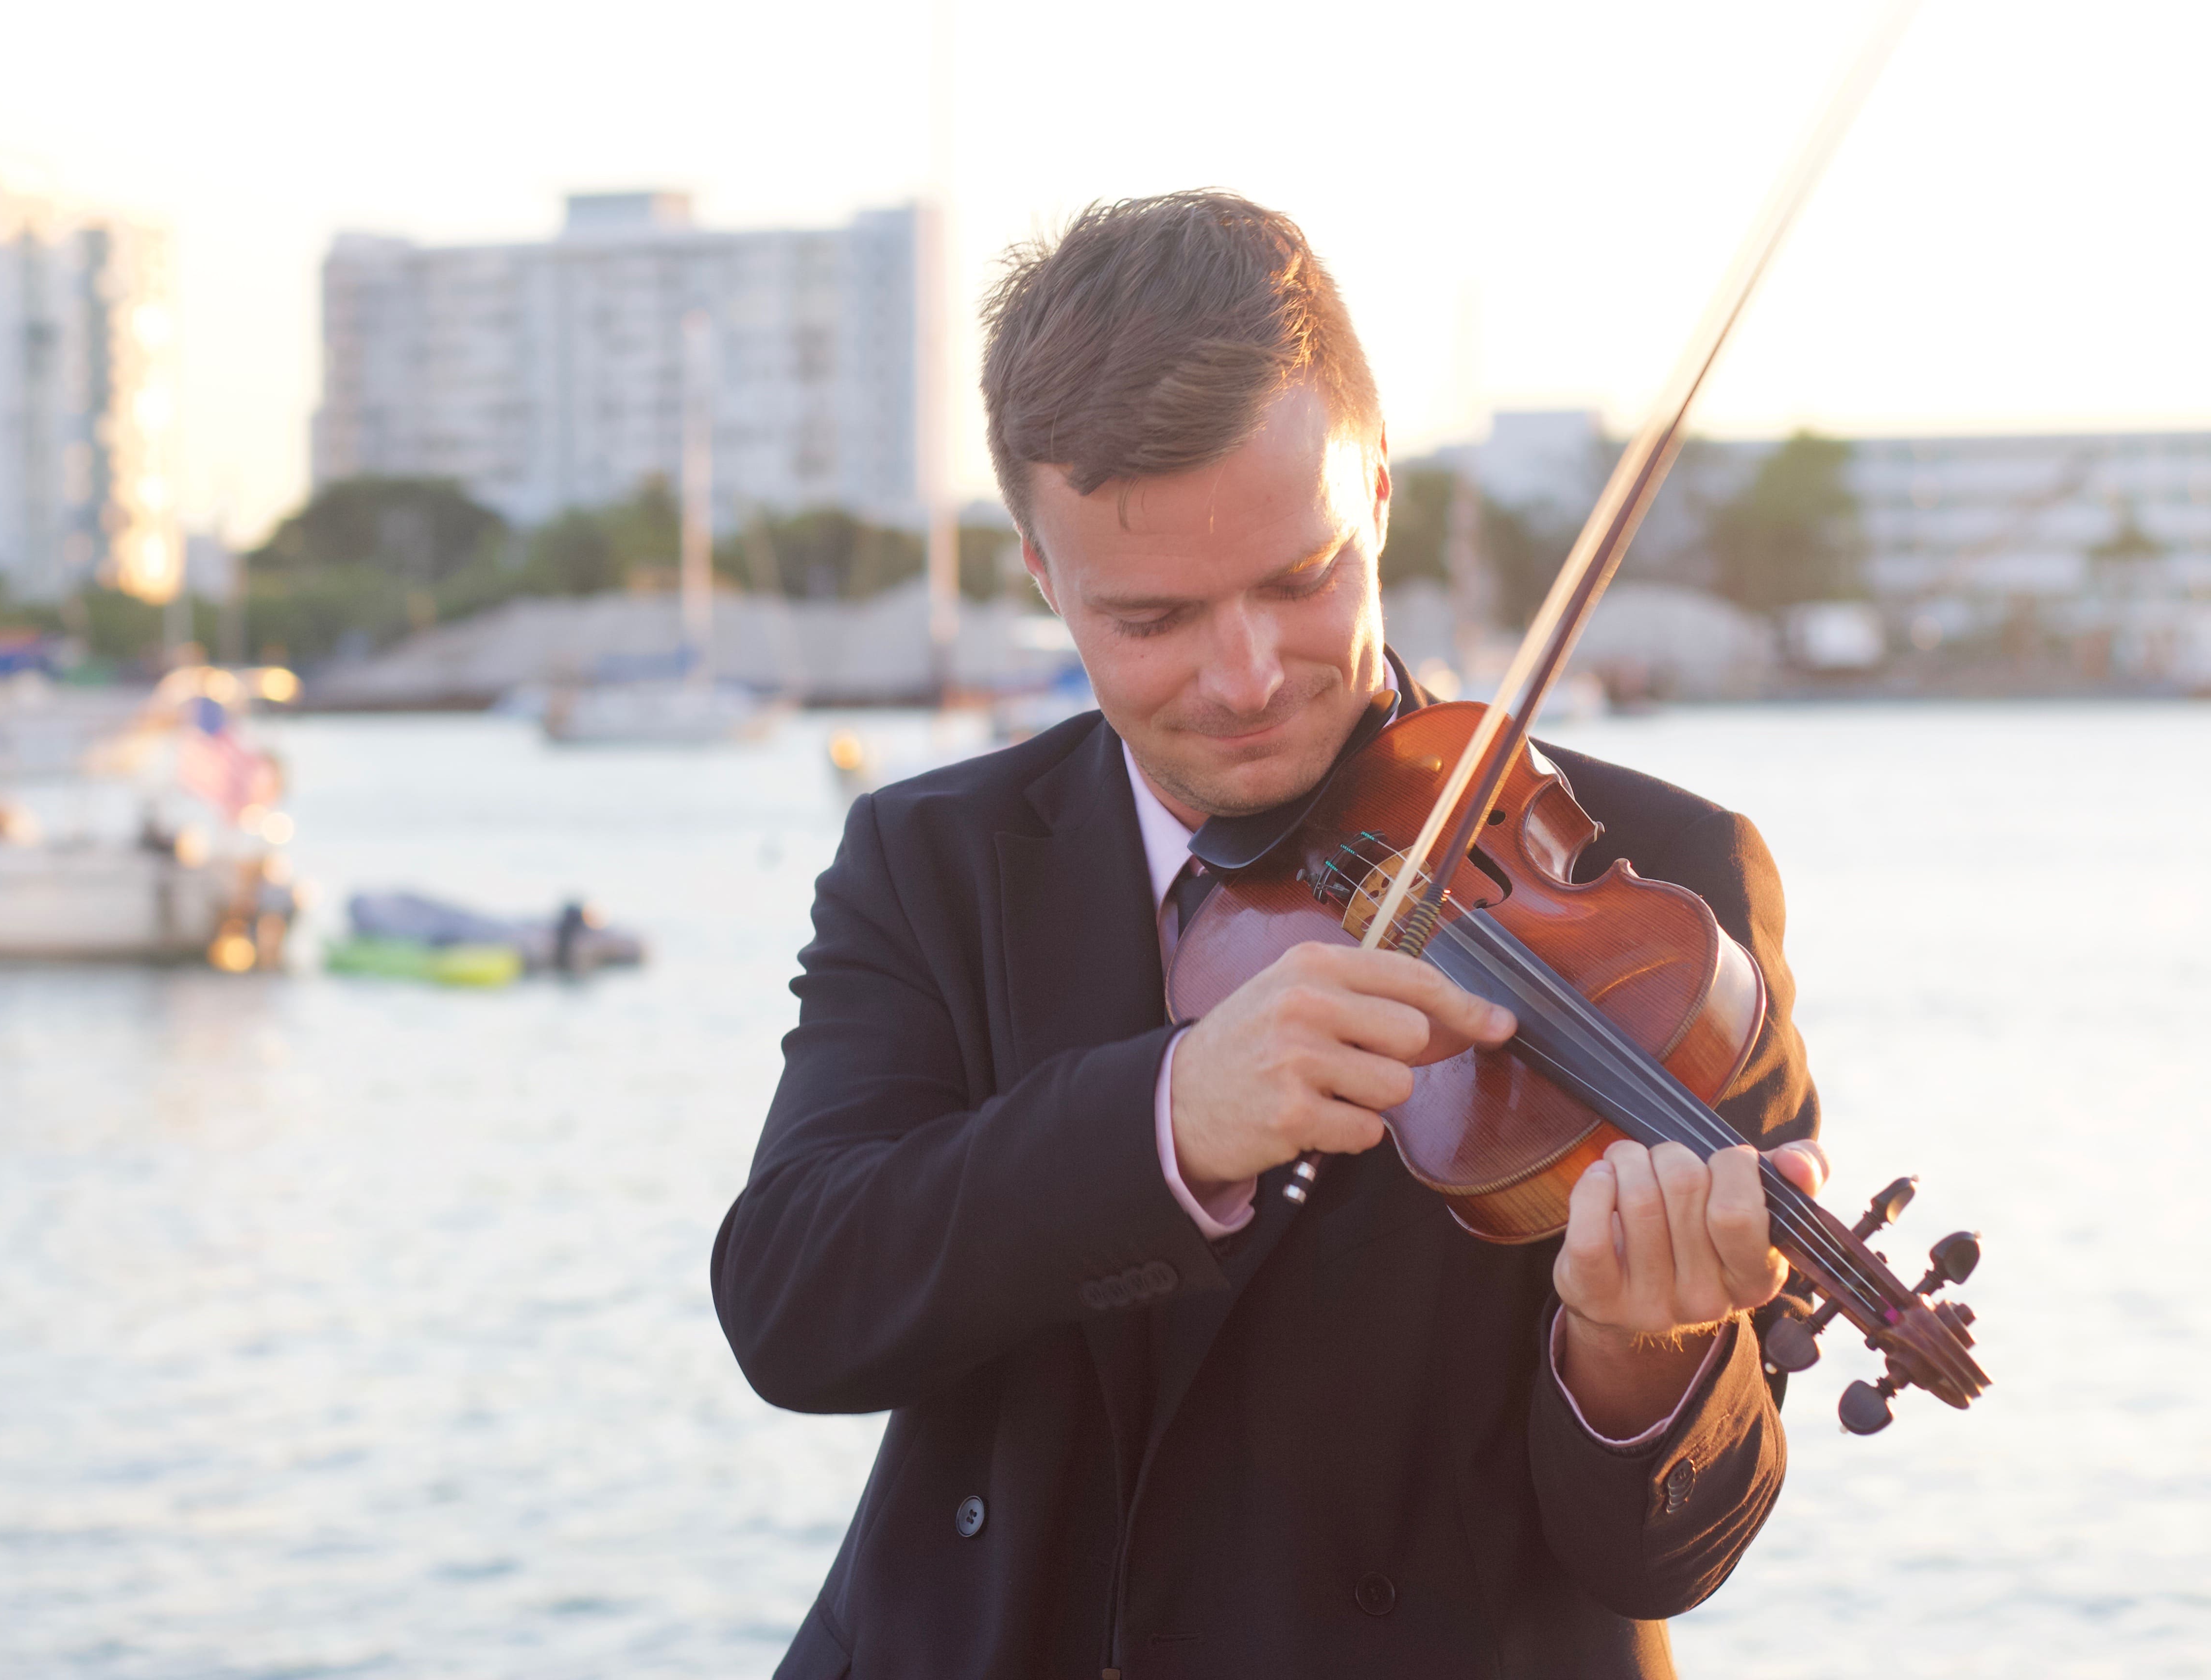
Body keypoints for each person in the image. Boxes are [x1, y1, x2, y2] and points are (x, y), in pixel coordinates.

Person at [712, 192, 1826, 1680]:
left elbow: (1666, 1558)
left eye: (1300, 583)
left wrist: (1640, 1356)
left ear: (1375, 500)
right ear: (1044, 581)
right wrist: (1164, 1120)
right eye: (1152, 619)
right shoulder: (936, 860)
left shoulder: (1662, 889)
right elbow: (797, 1303)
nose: (1243, 678)